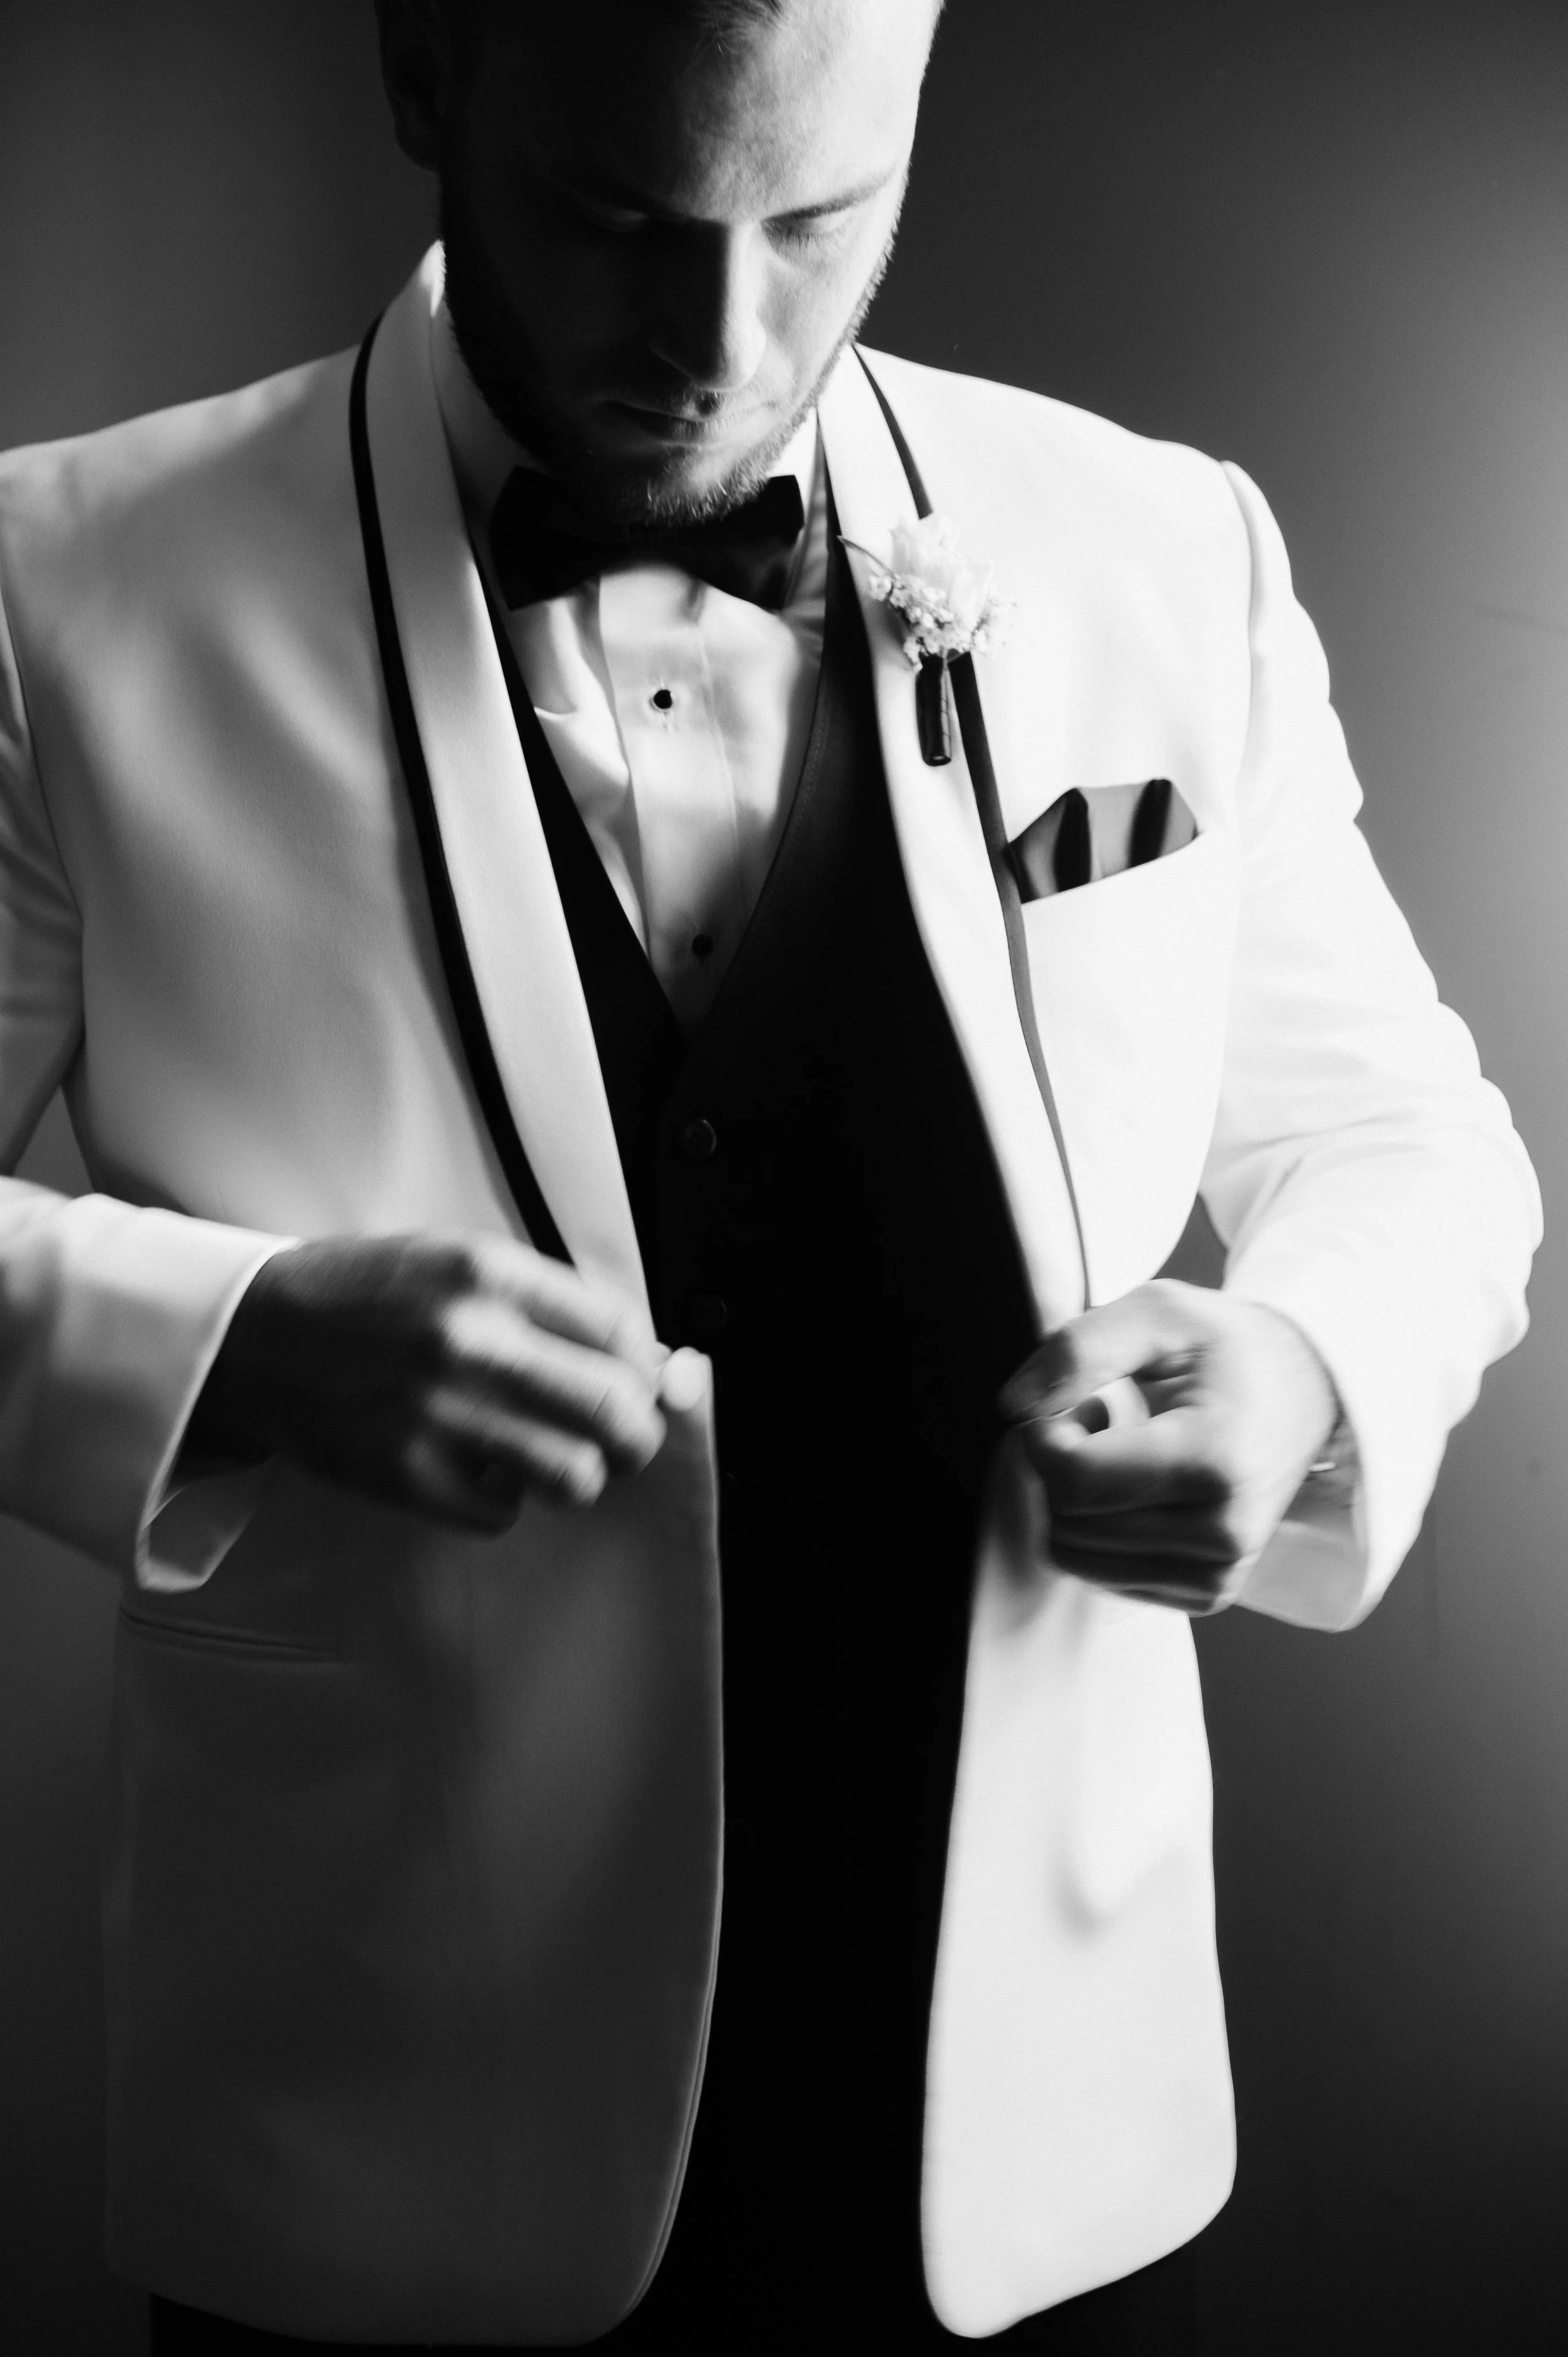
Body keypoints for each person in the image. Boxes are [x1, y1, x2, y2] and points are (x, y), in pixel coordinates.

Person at [0, 0, 1540, 2349]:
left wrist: (1301, 1359)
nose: (715, 343)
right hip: (388, 2136)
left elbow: (1403, 1137)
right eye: (620, 216)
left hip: (1034, 2150)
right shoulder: (50, 590)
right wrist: (230, 1346)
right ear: (429, 73)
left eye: (817, 219)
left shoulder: (1162, 544)